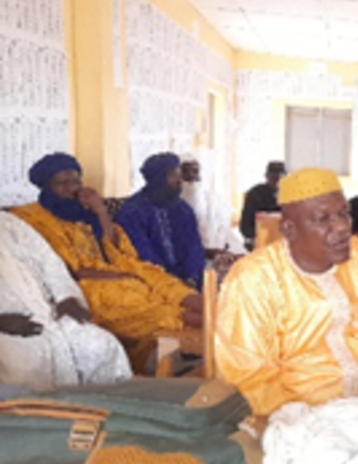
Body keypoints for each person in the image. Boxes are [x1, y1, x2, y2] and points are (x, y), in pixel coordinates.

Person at [216, 167, 358, 417]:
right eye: (323, 219)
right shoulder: (253, 279)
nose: (342, 227)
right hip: (299, 420)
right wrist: (306, 427)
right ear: (289, 229)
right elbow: (249, 375)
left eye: (344, 213)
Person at [12, 153, 203, 373]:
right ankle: (206, 334)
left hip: (120, 267)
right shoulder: (31, 219)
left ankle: (218, 320)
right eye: (61, 183)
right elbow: (66, 270)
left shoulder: (83, 210)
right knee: (135, 298)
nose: (71, 188)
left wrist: (100, 210)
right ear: (46, 186)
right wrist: (122, 276)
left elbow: (115, 248)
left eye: (75, 181)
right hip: (84, 284)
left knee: (163, 281)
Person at [0, 211, 132, 391]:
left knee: (101, 345)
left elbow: (48, 261)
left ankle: (104, 408)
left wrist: (66, 296)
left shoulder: (9, 223)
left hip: (48, 316)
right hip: (6, 333)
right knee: (22, 365)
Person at [115, 152, 205, 288]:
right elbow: (143, 255)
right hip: (151, 281)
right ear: (158, 179)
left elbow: (193, 247)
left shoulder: (183, 209)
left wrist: (192, 277)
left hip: (189, 281)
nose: (179, 180)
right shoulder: (132, 212)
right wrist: (172, 282)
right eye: (173, 175)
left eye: (179, 174)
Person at [180, 152, 246, 256]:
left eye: (195, 171)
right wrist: (208, 252)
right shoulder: (168, 204)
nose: (191, 175)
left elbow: (226, 234)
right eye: (185, 171)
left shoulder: (214, 201)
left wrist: (232, 252)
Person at [240, 161, 287, 250]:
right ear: (267, 177)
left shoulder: (291, 195)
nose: (277, 182)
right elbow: (245, 227)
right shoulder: (255, 195)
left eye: (280, 179)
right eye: (273, 178)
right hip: (260, 243)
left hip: (284, 243)